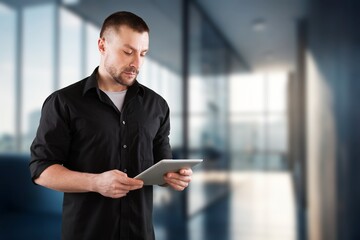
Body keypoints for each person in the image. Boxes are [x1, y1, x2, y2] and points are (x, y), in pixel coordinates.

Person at [29, 11, 192, 240]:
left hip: (141, 233)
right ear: (102, 45)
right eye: (128, 52)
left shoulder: (157, 106)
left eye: (143, 54)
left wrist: (174, 176)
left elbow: (162, 165)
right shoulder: (64, 102)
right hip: (87, 233)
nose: (136, 63)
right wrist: (95, 182)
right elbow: (41, 170)